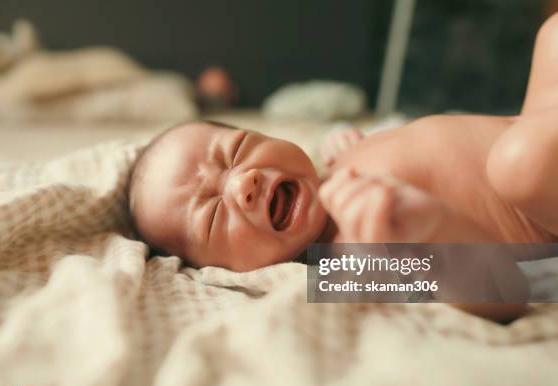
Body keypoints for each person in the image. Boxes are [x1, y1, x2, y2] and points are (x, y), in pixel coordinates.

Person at [128, 15, 558, 321]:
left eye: (238, 148)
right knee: (520, 165)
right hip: (541, 202)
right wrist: (428, 229)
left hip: (529, 126)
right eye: (214, 215)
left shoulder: (332, 168)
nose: (245, 182)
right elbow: (503, 293)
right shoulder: (347, 264)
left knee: (552, 36)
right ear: (220, 269)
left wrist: (356, 148)